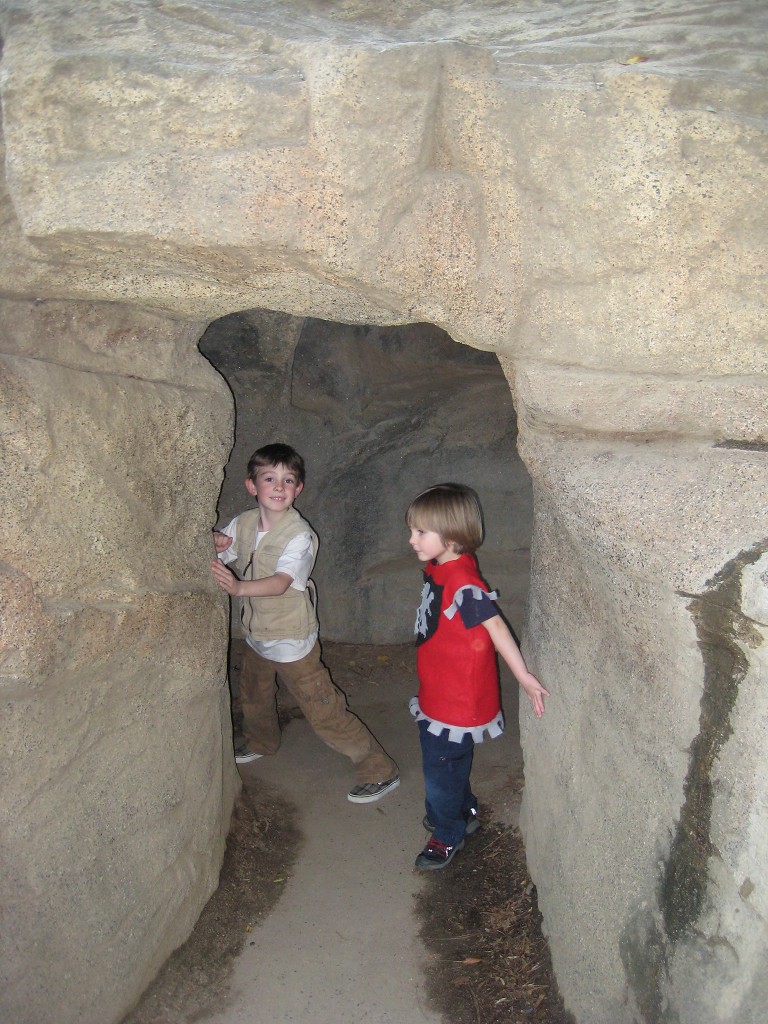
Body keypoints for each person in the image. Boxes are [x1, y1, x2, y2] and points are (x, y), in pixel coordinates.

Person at [211, 443, 399, 804]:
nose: (278, 487)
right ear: (251, 486)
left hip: (291, 640)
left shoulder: (299, 535)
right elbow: (228, 549)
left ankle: (379, 769)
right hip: (256, 634)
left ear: (298, 489)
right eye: (269, 479)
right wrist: (218, 543)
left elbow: (282, 582)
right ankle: (262, 742)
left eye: (288, 480)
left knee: (323, 708)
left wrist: (238, 588)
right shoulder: (243, 523)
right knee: (254, 694)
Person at [406, 483, 549, 870]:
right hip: (439, 687)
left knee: (439, 766)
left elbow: (496, 627)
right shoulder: (444, 565)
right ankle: (463, 811)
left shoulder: (463, 584)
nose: (412, 540)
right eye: (412, 530)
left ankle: (448, 831)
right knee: (448, 761)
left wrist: (524, 676)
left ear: (451, 536)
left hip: (455, 699)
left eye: (421, 532)